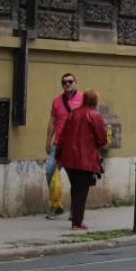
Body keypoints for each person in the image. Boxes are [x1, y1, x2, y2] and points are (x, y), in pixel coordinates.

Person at [56, 89, 107, 231]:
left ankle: (76, 218)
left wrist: (58, 156)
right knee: (82, 190)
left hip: (69, 159)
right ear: (95, 101)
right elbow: (102, 140)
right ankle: (77, 222)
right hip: (85, 158)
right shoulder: (94, 115)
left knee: (75, 188)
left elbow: (63, 135)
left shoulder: (73, 113)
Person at [44, 73, 83, 219]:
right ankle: (56, 205)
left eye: (70, 81)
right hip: (58, 144)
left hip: (75, 145)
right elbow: (52, 122)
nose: (67, 84)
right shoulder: (56, 101)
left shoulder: (83, 99)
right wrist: (48, 141)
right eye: (64, 82)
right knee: (49, 171)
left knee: (76, 178)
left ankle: (75, 209)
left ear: (75, 83)